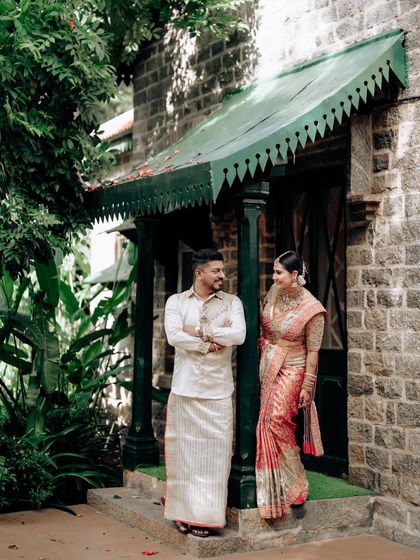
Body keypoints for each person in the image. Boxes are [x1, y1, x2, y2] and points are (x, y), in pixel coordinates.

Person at [163, 248, 246, 537]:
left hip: (218, 391)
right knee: (184, 455)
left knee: (216, 457)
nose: (222, 275)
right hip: (185, 389)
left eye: (222, 270)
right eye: (216, 270)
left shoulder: (232, 303)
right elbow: (174, 335)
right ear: (199, 273)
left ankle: (206, 518)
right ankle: (182, 514)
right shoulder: (176, 302)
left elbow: (239, 335)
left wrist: (198, 331)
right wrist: (206, 343)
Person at [256, 250, 326, 520]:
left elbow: (313, 351)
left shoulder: (313, 310)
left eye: (278, 273)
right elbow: (265, 330)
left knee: (278, 418)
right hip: (268, 363)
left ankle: (296, 481)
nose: (274, 278)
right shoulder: (275, 293)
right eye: (274, 272)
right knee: (264, 419)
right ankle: (273, 480)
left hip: (295, 368)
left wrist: (307, 387)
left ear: (295, 275)